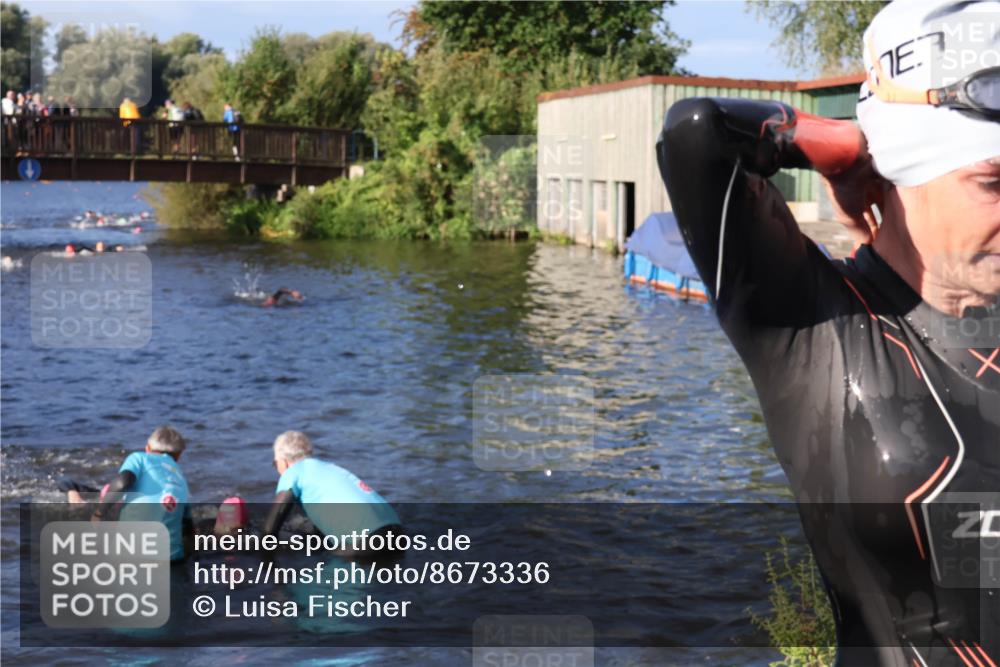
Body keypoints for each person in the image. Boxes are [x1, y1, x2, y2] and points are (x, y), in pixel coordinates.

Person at [656, 1, 998, 664]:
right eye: (994, 181)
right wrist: (850, 146)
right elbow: (699, 135)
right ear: (903, 167)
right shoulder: (819, 322)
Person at [60, 426, 193, 561]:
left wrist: (98, 514)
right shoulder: (181, 478)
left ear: (147, 448)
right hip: (172, 558)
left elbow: (123, 482)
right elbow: (187, 525)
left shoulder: (139, 458)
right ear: (178, 456)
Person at [262, 431, 402, 559]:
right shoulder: (330, 467)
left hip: (366, 543)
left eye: (275, 463)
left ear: (284, 462)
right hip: (398, 535)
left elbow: (270, 530)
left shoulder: (292, 473)